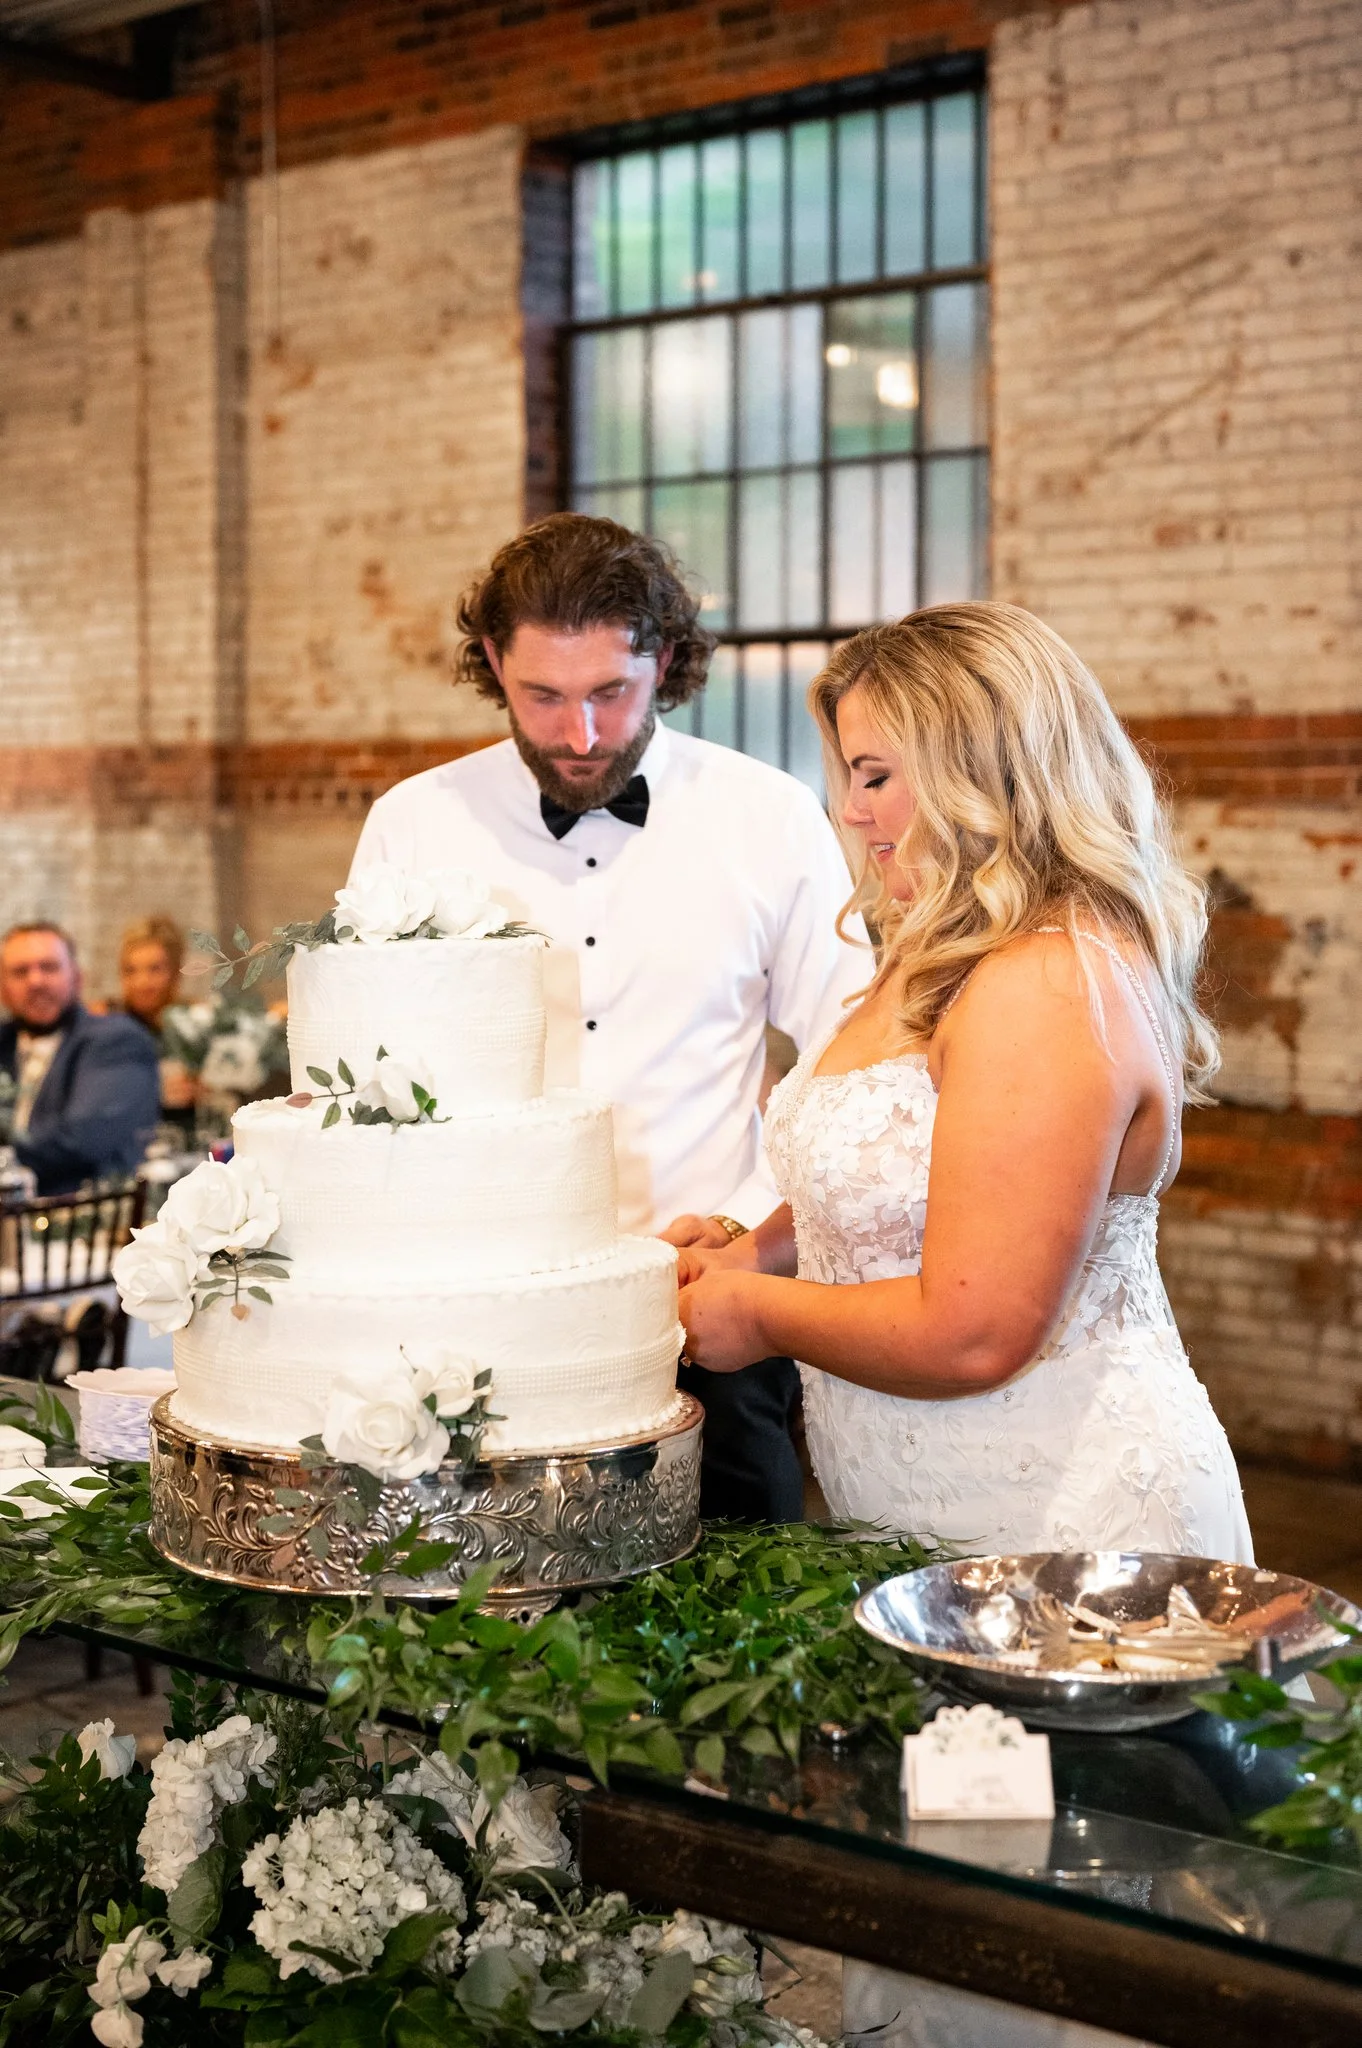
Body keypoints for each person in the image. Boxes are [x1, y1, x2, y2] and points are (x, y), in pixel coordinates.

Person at [673, 602, 1251, 2047]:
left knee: (1060, 1959)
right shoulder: (935, 949)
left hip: (1065, 1532)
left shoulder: (1051, 973)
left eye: (877, 773)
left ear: (991, 760)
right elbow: (899, 1186)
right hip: (925, 1534)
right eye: (844, 772)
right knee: (945, 1924)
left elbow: (978, 1325)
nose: (846, 811)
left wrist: (755, 1316)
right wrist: (749, 1247)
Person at [349, 512, 867, 1520]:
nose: (579, 736)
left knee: (729, 1628)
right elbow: (368, 1074)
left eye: (610, 693)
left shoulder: (768, 817)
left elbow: (851, 1055)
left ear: (665, 659)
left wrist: (748, 1227)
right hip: (477, 1316)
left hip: (706, 1307)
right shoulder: (412, 823)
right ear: (494, 659)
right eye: (541, 694)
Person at [0, 923, 161, 1196]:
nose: (35, 981)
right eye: (20, 971)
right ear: (3, 988)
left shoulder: (116, 1039)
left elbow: (83, 1140)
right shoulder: (4, 1041)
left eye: (49, 967)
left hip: (85, 1216)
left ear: (77, 977)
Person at [101, 915, 198, 1128]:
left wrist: (202, 1089)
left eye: (154, 969)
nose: (141, 982)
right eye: (130, 970)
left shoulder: (196, 1021)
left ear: (175, 972)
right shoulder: (105, 1024)